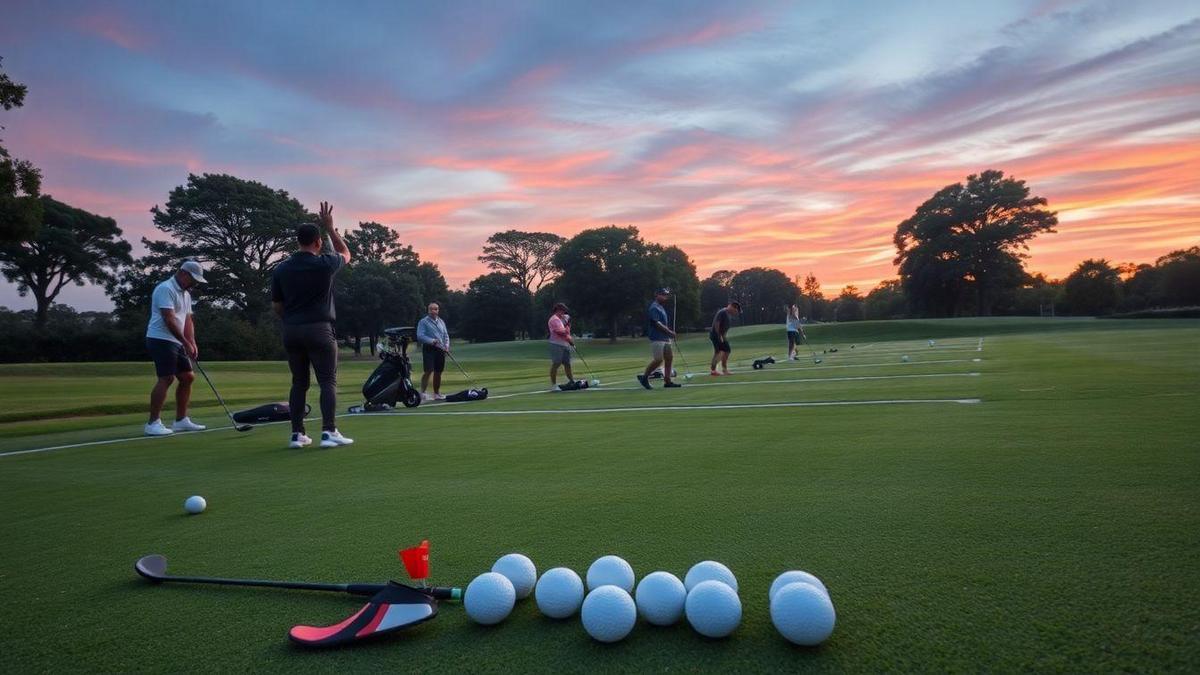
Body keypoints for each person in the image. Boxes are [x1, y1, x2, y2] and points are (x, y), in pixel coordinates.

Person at [271, 201, 353, 449]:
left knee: (299, 382)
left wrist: (292, 321)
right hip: (319, 329)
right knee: (327, 381)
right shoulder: (324, 263)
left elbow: (277, 305)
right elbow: (346, 254)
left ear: (298, 241)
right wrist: (330, 229)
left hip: (292, 330)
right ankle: (329, 432)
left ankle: (297, 434)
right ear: (317, 242)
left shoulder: (281, 269)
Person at [144, 260, 208, 436]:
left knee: (187, 377)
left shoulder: (186, 294)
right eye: (193, 279)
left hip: (177, 341)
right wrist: (185, 342)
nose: (195, 283)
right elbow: (169, 318)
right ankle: (153, 423)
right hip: (160, 338)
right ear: (182, 273)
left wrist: (192, 341)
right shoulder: (165, 288)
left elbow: (187, 319)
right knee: (167, 378)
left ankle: (181, 420)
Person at [638, 288, 680, 390]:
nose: (665, 297)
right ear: (656, 295)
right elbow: (657, 323)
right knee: (658, 360)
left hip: (665, 338)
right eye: (663, 295)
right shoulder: (654, 308)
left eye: (665, 295)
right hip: (657, 337)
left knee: (669, 358)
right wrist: (669, 332)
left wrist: (668, 333)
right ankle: (645, 378)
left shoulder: (661, 307)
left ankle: (668, 381)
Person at [417, 302, 450, 401]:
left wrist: (447, 346)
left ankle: (436, 393)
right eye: (431, 309)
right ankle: (422, 392)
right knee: (428, 370)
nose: (433, 311)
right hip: (429, 348)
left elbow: (446, 336)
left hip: (440, 349)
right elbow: (420, 336)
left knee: (438, 372)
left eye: (435, 309)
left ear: (438, 310)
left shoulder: (441, 322)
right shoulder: (423, 322)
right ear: (428, 310)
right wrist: (432, 341)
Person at [547, 303, 575, 389]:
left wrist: (569, 340)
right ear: (558, 310)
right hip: (556, 344)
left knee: (567, 363)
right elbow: (561, 332)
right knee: (556, 363)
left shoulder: (561, 318)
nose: (564, 313)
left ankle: (571, 381)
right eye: (562, 311)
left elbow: (568, 318)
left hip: (565, 344)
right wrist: (567, 327)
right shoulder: (554, 320)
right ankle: (554, 385)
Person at [709, 301, 740, 376]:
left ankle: (723, 369)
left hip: (721, 336)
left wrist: (724, 337)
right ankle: (714, 371)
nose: (736, 313)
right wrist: (719, 335)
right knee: (719, 352)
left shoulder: (728, 314)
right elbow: (717, 324)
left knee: (726, 350)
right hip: (716, 335)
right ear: (732, 307)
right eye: (736, 311)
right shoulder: (722, 312)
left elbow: (725, 328)